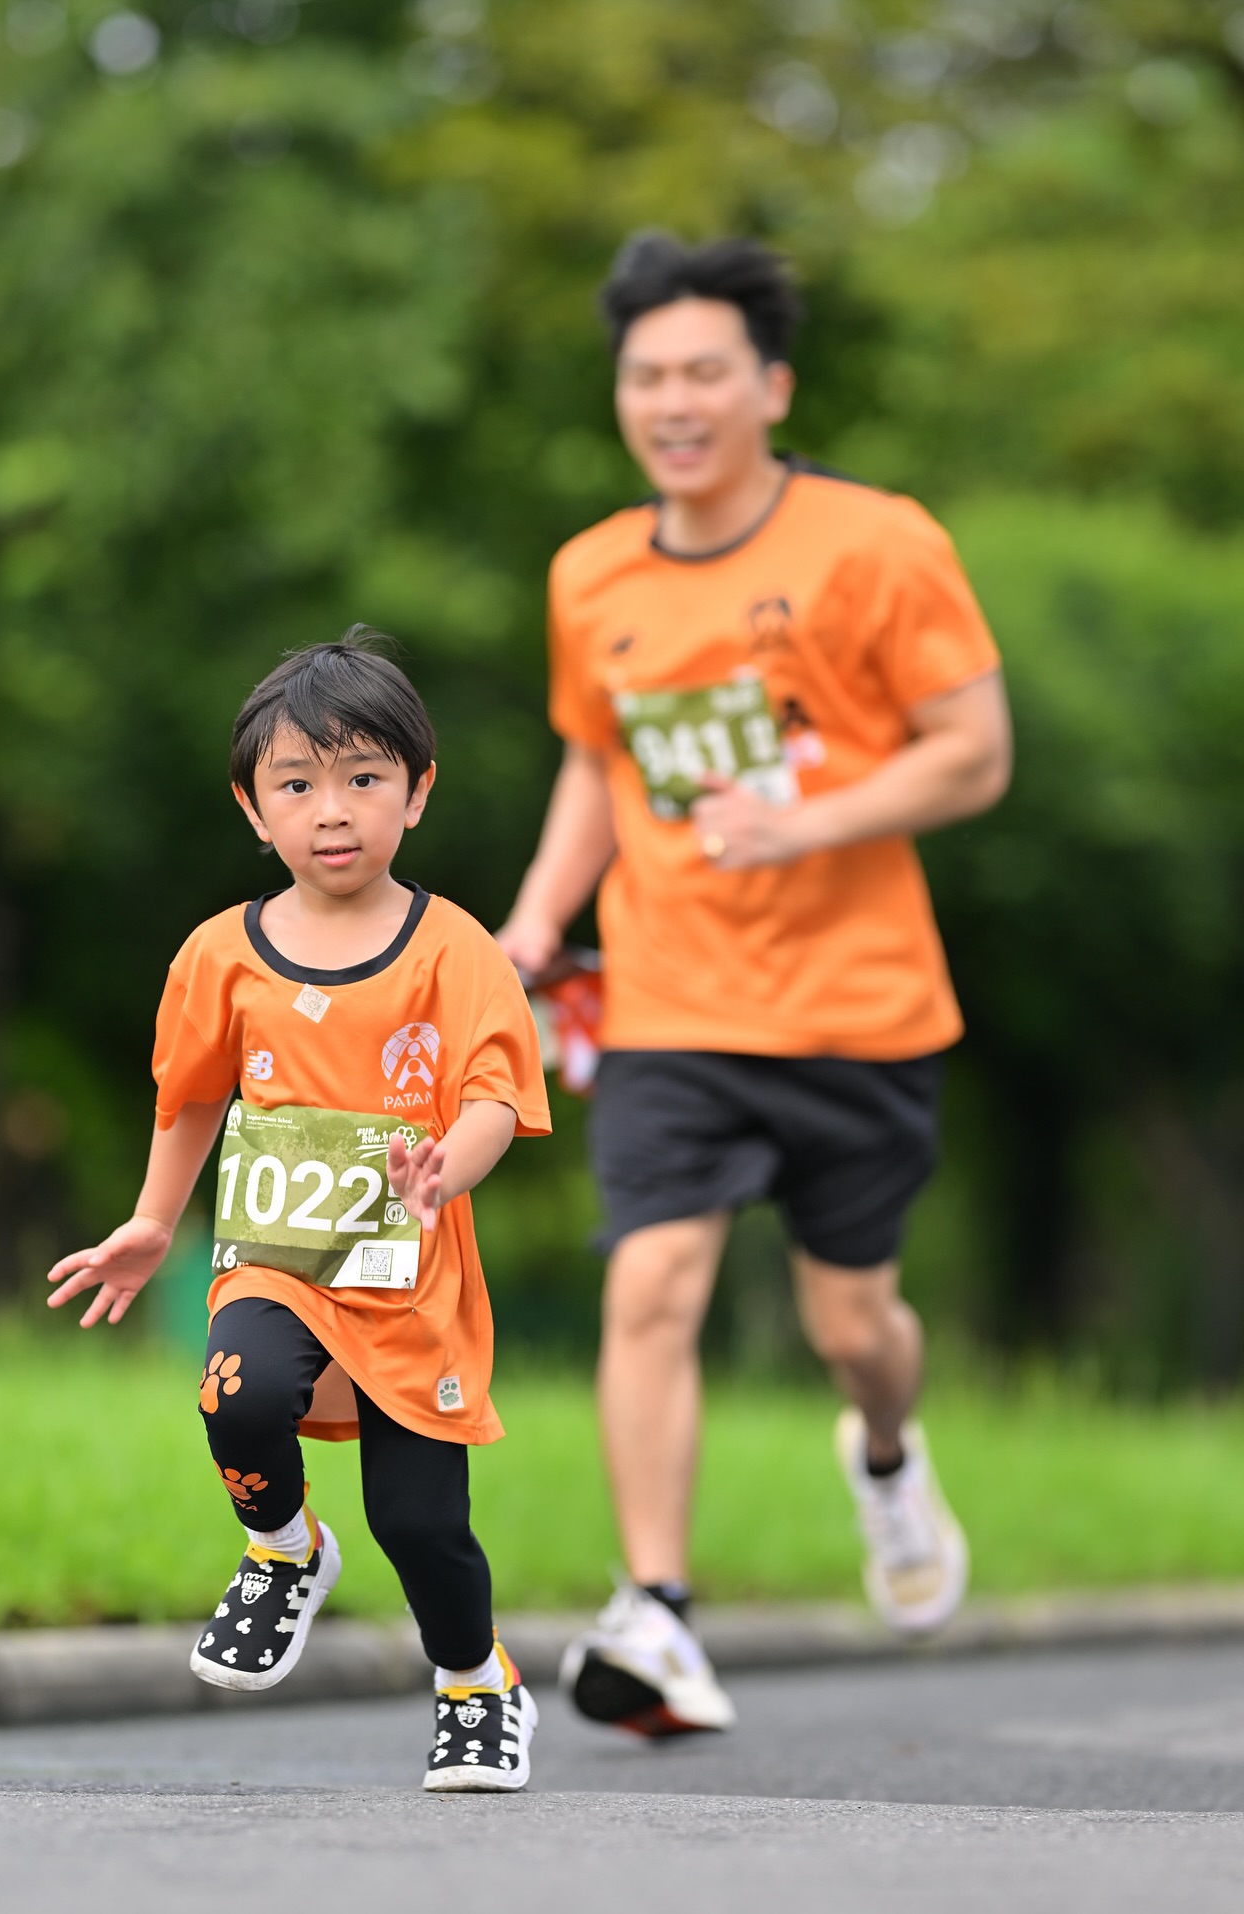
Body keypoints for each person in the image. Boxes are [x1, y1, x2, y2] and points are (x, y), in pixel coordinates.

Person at [497, 233, 1013, 1737]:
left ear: (771, 387)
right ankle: (656, 1612)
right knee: (652, 1278)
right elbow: (598, 756)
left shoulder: (878, 542)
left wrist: (815, 815)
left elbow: (973, 750)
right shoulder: (591, 574)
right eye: (647, 374)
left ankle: (887, 1451)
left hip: (860, 1006)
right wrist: (535, 921)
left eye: (706, 370)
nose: (675, 398)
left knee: (856, 1325)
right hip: (670, 1004)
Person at [47, 633, 551, 1791]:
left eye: (365, 779)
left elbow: (490, 1095)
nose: (334, 812)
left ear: (418, 794)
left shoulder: (456, 950)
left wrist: (449, 1171)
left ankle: (477, 1682)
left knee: (422, 1525)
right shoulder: (222, 955)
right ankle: (281, 1549)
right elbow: (190, 1100)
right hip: (276, 1263)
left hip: (409, 1285)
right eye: (298, 785)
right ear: (253, 808)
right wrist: (152, 1222)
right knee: (238, 1385)